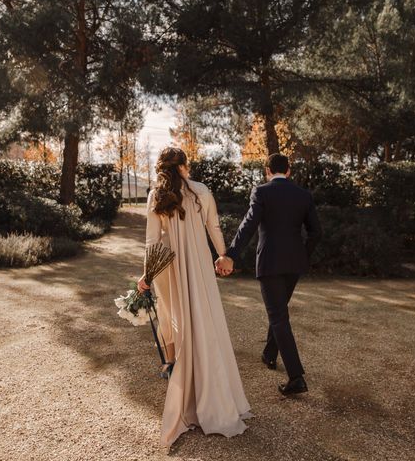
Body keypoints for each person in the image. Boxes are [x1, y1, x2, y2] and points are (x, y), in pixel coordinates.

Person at [137, 147, 252, 448]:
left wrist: (147, 275)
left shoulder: (156, 196)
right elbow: (213, 227)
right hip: (199, 264)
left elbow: (152, 241)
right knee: (204, 317)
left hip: (169, 266)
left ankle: (179, 373)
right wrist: (223, 255)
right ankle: (206, 387)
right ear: (185, 165)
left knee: (176, 318)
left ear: (162, 168)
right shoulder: (201, 191)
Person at [216, 153, 322, 396]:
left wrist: (231, 253)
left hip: (270, 262)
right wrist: (303, 255)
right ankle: (269, 354)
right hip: (294, 264)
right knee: (280, 311)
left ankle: (296, 377)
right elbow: (317, 232)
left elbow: (248, 225)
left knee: (278, 317)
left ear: (267, 170)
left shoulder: (261, 192)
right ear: (288, 171)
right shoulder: (303, 195)